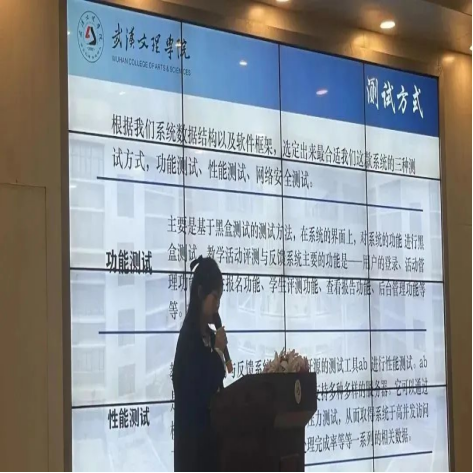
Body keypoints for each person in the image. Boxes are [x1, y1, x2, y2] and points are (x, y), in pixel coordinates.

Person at [173, 256, 228, 472]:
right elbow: (198, 390)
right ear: (200, 293)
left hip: (211, 450)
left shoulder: (210, 337)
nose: (218, 305)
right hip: (193, 454)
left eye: (220, 298)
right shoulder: (188, 338)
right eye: (215, 297)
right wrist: (218, 353)